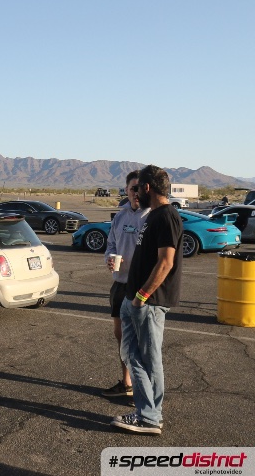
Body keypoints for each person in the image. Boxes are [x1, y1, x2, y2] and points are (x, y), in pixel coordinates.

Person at [112, 164, 183, 435]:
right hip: (134, 300)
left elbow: (166, 262)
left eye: (138, 186)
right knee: (131, 355)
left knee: (148, 359)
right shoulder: (153, 216)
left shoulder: (166, 216)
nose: (135, 192)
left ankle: (150, 417)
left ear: (147, 188)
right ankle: (146, 412)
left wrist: (142, 296)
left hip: (148, 303)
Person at [101, 170, 149, 398]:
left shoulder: (151, 217)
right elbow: (110, 245)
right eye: (132, 188)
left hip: (141, 287)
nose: (136, 193)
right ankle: (127, 383)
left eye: (140, 188)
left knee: (142, 341)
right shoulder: (120, 217)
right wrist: (109, 259)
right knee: (122, 338)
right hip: (120, 285)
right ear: (127, 190)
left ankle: (143, 392)